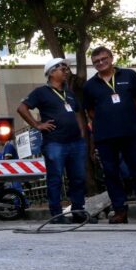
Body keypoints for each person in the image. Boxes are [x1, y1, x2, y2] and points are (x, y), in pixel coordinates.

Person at [83, 47, 136, 224]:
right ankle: (120, 211)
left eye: (103, 58)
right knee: (111, 173)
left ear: (111, 58)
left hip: (131, 132)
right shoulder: (89, 86)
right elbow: (90, 110)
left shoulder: (129, 75)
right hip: (105, 136)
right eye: (96, 61)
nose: (100, 63)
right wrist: (106, 121)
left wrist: (130, 116)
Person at [16, 58, 91, 224]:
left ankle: (78, 211)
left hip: (76, 143)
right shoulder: (41, 92)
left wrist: (81, 132)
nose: (66, 72)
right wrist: (37, 125)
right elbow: (22, 108)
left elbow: (78, 112)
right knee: (55, 178)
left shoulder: (69, 93)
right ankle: (56, 214)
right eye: (62, 69)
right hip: (55, 143)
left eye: (66, 69)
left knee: (78, 177)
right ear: (51, 72)